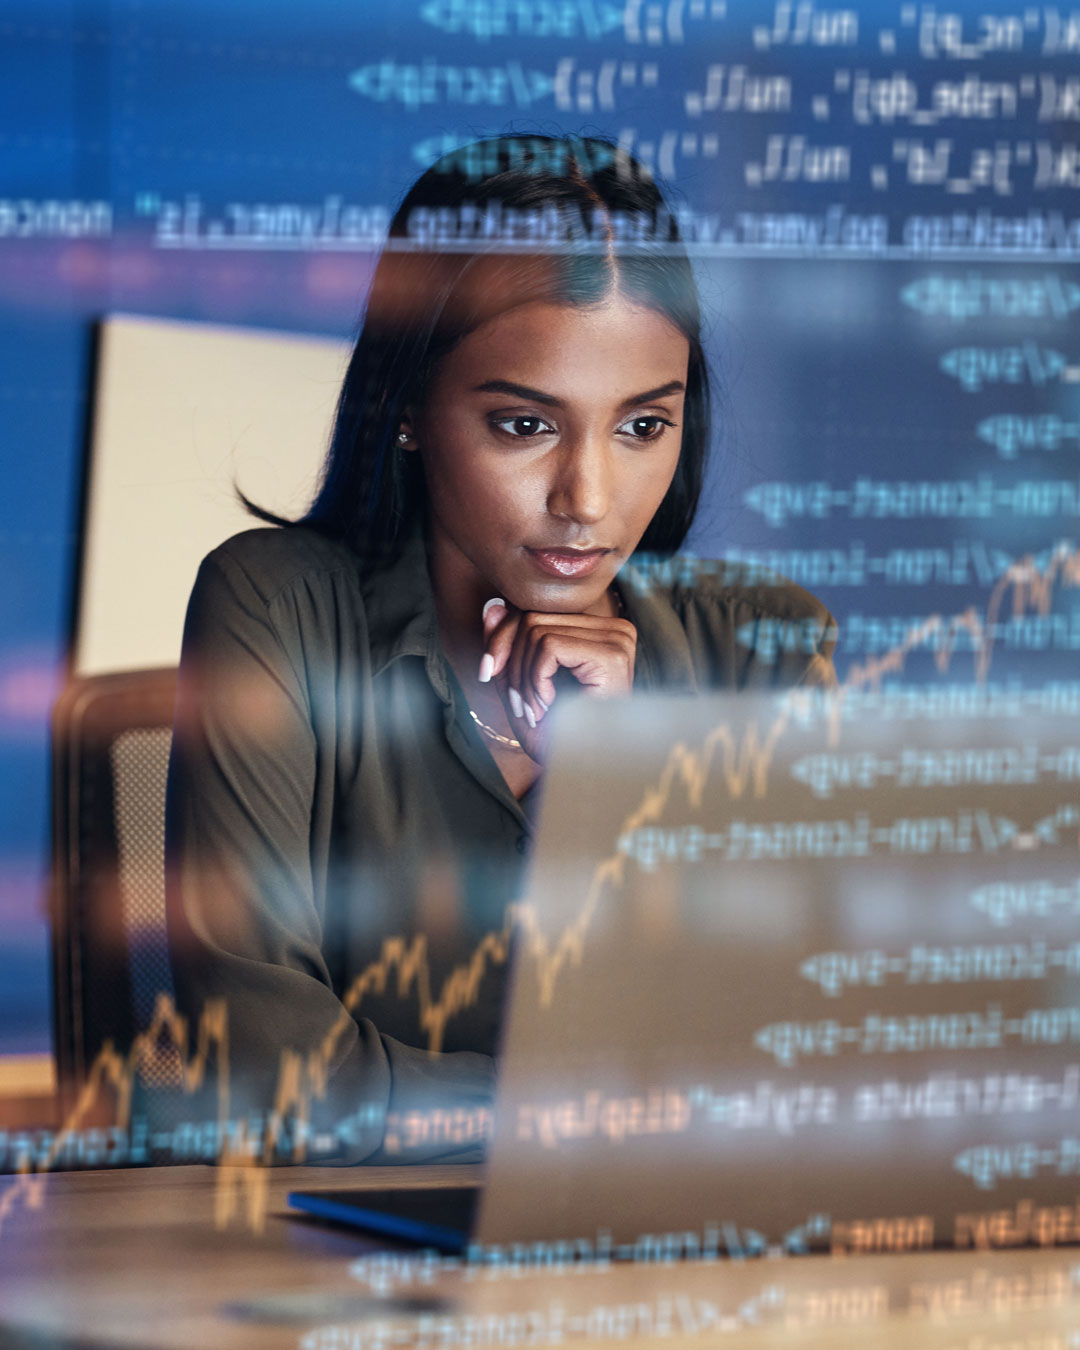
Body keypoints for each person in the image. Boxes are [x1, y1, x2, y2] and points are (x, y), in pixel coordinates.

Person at [164, 133, 837, 1165]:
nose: (590, 501)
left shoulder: (766, 650)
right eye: (525, 425)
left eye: (642, 428)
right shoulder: (276, 607)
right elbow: (272, 1077)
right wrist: (602, 1112)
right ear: (408, 410)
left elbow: (800, 1072)